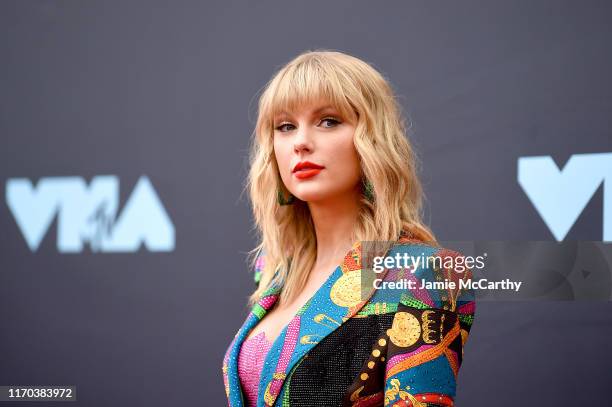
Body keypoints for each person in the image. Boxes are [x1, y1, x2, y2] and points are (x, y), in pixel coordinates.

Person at [222, 49, 476, 407]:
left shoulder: (422, 274)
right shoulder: (276, 269)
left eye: (328, 121)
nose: (301, 142)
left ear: (373, 139)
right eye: (285, 126)